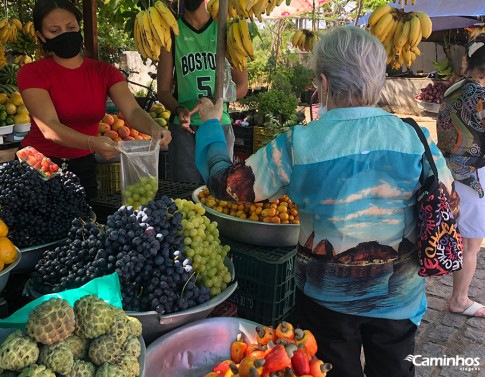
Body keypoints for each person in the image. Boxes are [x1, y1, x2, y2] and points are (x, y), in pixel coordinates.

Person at [191, 26, 455, 377]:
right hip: (400, 300)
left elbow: (229, 188)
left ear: (324, 83)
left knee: (331, 369)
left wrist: (211, 125)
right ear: (379, 79)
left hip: (325, 303)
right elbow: (448, 201)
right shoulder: (415, 136)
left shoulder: (299, 143)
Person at [17, 0, 171, 201]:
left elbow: (132, 111)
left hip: (83, 163)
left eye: (71, 27)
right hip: (38, 163)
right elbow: (50, 127)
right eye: (55, 31)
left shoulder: (104, 72)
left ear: (79, 27)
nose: (65, 34)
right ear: (41, 36)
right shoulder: (32, 73)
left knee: (84, 225)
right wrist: (91, 142)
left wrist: (153, 128)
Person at [156, 0, 248, 184]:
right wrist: (179, 110)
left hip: (219, 124)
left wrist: (216, 102)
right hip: (185, 131)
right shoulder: (171, 34)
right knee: (185, 197)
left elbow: (242, 85)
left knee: (220, 191)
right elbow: (163, 91)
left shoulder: (225, 31)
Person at [436, 33, 485, 318]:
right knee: (471, 243)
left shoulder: (452, 89)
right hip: (473, 176)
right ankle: (460, 299)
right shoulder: (481, 98)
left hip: (447, 171)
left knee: (453, 231)